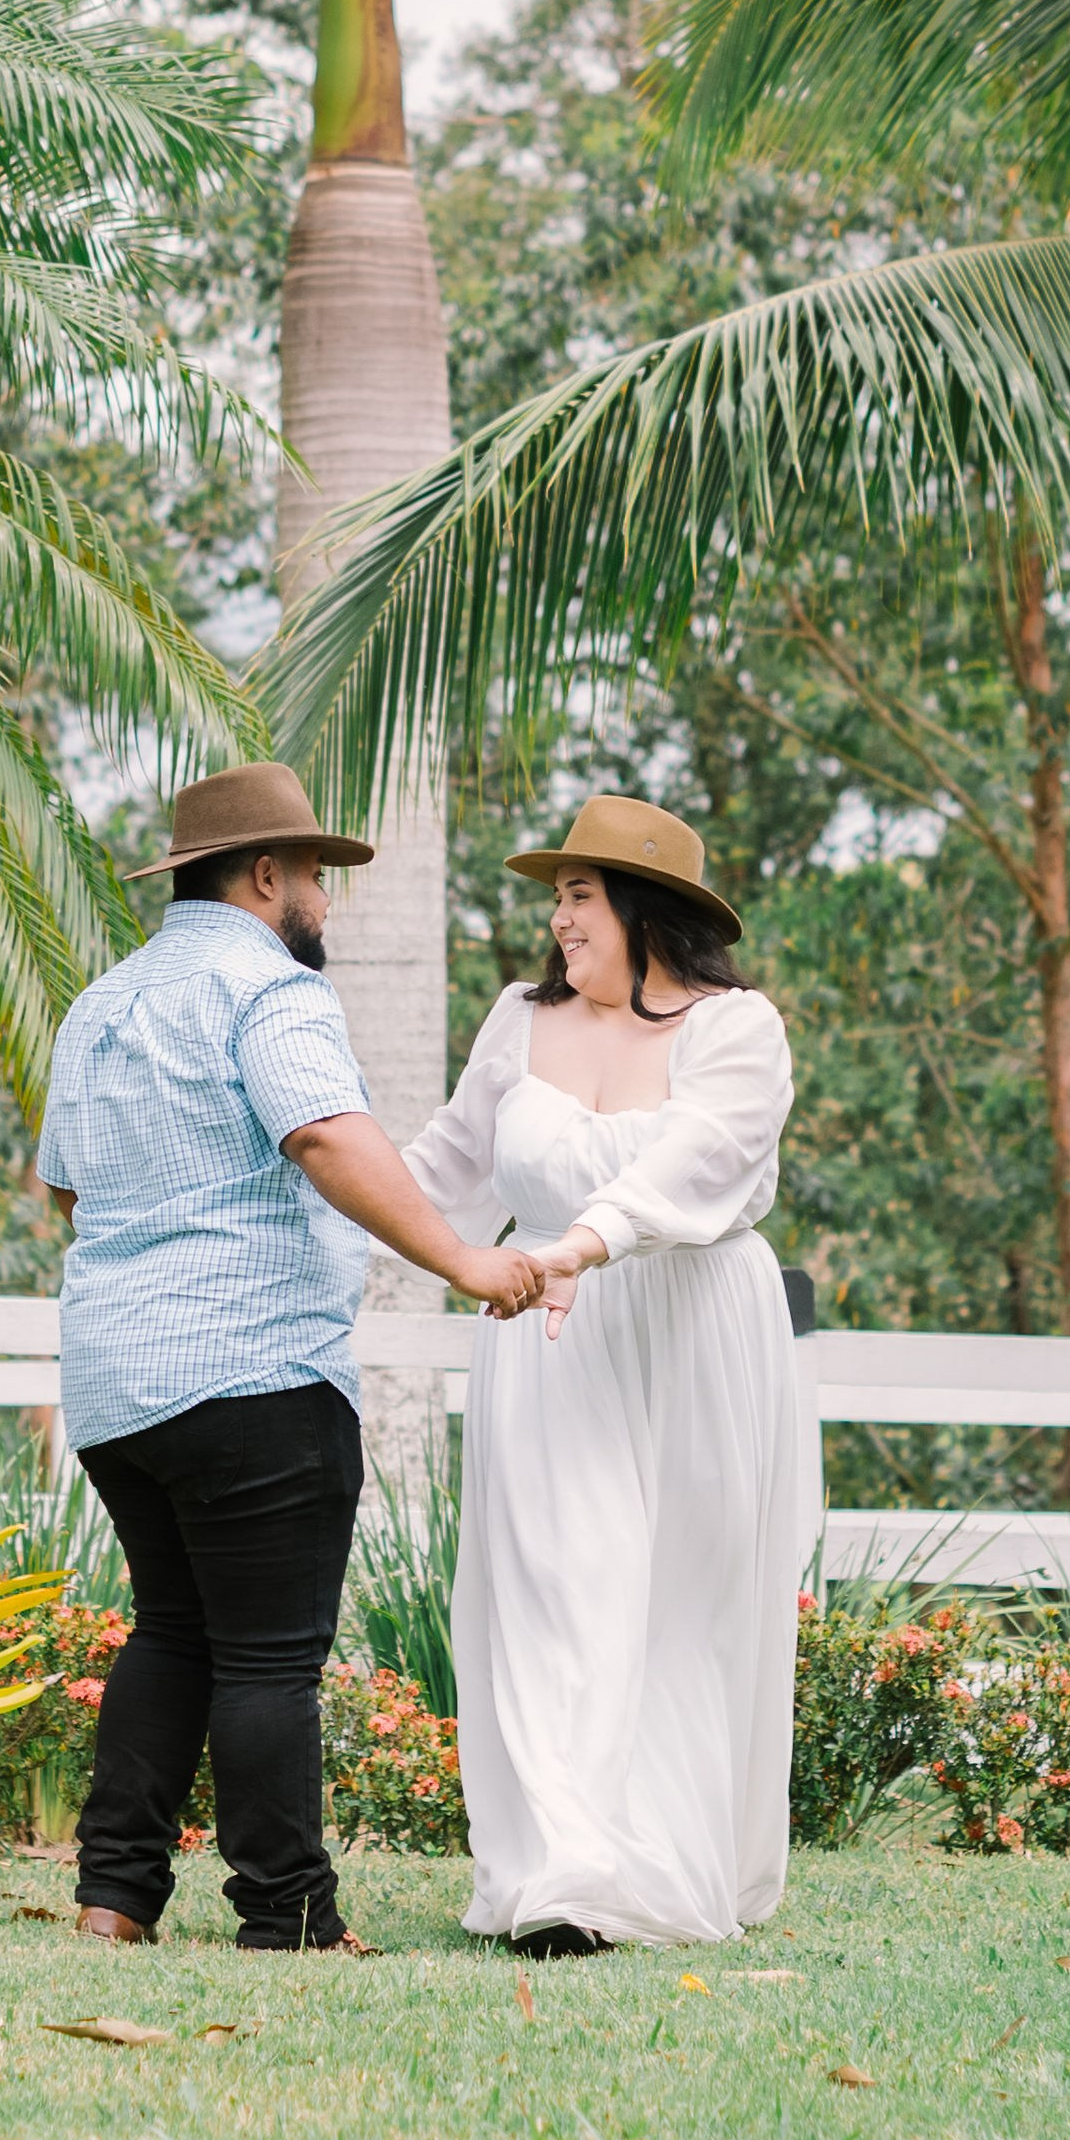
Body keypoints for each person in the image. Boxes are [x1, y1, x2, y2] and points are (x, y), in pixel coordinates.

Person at [33, 761, 543, 1954]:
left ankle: (114, 1899)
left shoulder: (101, 1001)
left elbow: (63, 1183)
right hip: (255, 1367)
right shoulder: (270, 993)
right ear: (265, 876)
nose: (326, 899)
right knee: (269, 1659)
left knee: (171, 1631)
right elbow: (321, 1133)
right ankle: (290, 1915)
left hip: (116, 1382)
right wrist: (466, 1262)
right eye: (316, 875)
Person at [402, 794, 802, 1955]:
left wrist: (584, 1240)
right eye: (559, 897)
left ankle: (663, 1867)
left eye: (579, 893)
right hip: (545, 1339)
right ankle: (564, 1881)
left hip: (696, 1333)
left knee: (682, 1601)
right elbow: (441, 1173)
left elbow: (700, 1161)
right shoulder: (515, 1022)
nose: (560, 916)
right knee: (554, 1590)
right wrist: (310, 1194)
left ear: (646, 908)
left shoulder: (737, 1029)